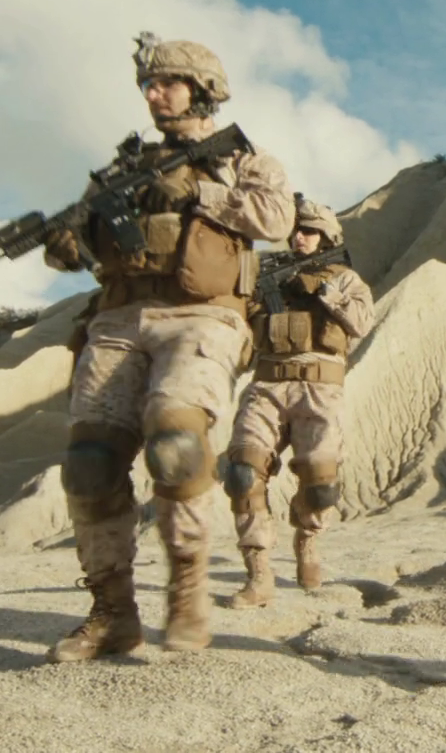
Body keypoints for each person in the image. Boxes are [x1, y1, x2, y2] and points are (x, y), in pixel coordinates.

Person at [41, 33, 292, 661]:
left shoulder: (243, 159)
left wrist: (199, 192)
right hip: (118, 316)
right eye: (148, 86)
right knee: (89, 461)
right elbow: (82, 250)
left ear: (202, 89)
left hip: (203, 316)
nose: (155, 95)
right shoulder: (119, 173)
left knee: (176, 441)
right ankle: (112, 613)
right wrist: (67, 241)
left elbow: (275, 219)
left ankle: (187, 594)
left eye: (167, 83)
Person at [226, 195, 374, 606]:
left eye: (309, 231)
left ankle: (307, 541)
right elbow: (239, 332)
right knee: (242, 473)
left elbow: (362, 323)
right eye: (296, 231)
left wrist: (326, 292)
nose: (300, 237)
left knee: (321, 484)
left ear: (326, 237)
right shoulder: (265, 275)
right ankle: (258, 572)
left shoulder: (345, 279)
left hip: (319, 390)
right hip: (267, 385)